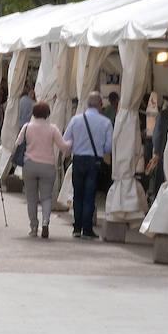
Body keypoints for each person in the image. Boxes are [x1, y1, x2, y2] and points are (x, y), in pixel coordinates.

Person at [15, 101, 72, 239]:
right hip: (47, 166)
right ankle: (46, 222)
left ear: (33, 113)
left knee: (31, 198)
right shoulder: (52, 129)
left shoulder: (27, 127)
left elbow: (17, 143)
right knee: (46, 197)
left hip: (30, 165)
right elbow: (64, 146)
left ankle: (34, 227)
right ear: (48, 114)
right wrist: (72, 140)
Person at [62, 91, 113, 239]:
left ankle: (77, 227)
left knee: (78, 194)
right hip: (94, 161)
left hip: (77, 159)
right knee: (89, 195)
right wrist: (99, 149)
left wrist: (76, 147)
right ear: (99, 105)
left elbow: (66, 140)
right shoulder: (106, 122)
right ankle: (87, 229)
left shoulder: (76, 120)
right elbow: (109, 147)